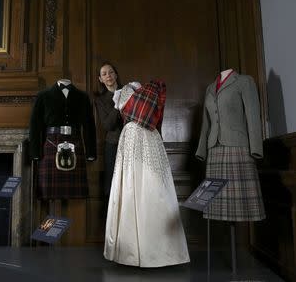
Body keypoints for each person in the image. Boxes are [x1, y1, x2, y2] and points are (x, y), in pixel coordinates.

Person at [104, 80, 190, 267]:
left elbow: (156, 119)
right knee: (130, 186)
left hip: (149, 138)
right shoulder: (126, 92)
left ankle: (158, 250)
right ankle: (131, 251)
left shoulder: (152, 90)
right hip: (132, 138)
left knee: (154, 186)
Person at [195, 69, 266, 222]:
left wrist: (256, 149)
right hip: (213, 149)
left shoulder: (244, 81)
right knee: (216, 203)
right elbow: (205, 123)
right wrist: (202, 149)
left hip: (237, 147)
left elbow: (253, 116)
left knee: (239, 202)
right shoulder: (210, 88)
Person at [29, 79, 97, 199]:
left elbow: (89, 126)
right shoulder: (43, 96)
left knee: (76, 193)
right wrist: (35, 152)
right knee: (48, 192)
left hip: (76, 141)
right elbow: (35, 126)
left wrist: (90, 153)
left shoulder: (83, 97)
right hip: (50, 143)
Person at [93, 62, 123, 196]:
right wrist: (117, 105)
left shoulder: (129, 92)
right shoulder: (100, 100)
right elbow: (107, 125)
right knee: (111, 183)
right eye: (104, 74)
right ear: (100, 79)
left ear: (116, 75)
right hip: (113, 145)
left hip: (132, 142)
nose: (108, 76)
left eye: (111, 72)